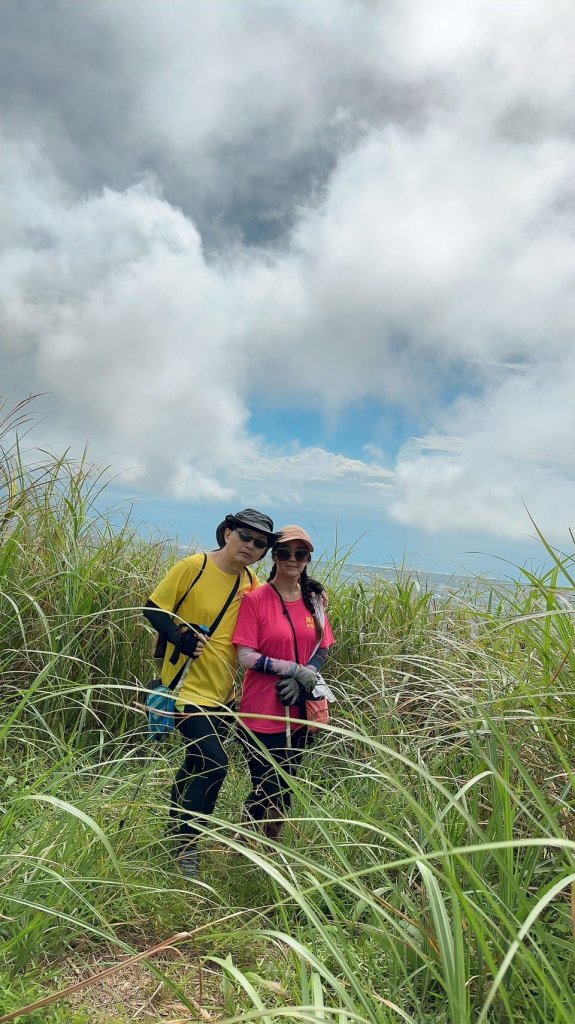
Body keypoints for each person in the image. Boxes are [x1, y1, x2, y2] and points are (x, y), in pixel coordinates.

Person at [143, 508, 278, 878]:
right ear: (228, 533)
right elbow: (153, 608)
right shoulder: (194, 567)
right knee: (215, 764)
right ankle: (188, 844)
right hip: (184, 689)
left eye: (260, 543)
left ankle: (173, 829)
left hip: (223, 695)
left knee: (195, 764)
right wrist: (179, 637)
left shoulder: (251, 583)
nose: (250, 545)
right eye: (245, 536)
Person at [232, 525, 334, 842]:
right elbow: (246, 655)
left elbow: (324, 647)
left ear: (307, 559)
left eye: (300, 553)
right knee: (266, 783)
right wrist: (292, 669)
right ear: (274, 556)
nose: (293, 559)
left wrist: (305, 677)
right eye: (286, 552)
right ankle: (246, 842)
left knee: (286, 782)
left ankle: (271, 848)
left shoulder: (315, 600)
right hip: (261, 710)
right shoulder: (256, 599)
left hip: (300, 709)